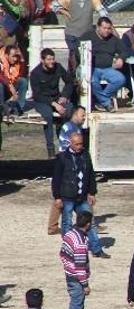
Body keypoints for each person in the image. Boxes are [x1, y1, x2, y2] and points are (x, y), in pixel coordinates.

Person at [52, 132, 109, 258]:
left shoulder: (85, 155)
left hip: (82, 196)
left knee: (90, 222)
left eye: (81, 144)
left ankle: (96, 249)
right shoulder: (62, 158)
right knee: (67, 223)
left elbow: (90, 174)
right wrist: (57, 197)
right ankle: (69, 248)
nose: (79, 146)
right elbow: (56, 179)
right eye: (77, 144)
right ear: (70, 143)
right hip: (67, 196)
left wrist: (92, 192)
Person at [47, 106, 86, 236]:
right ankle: (53, 227)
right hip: (66, 165)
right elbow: (67, 147)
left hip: (70, 163)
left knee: (70, 196)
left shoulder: (76, 128)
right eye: (82, 115)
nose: (84, 117)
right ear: (75, 114)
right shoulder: (68, 127)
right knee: (63, 196)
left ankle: (86, 221)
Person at [30, 48, 74, 158]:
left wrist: (64, 96)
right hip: (42, 100)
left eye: (53, 59)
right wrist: (54, 104)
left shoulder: (58, 67)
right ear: (42, 60)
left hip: (57, 97)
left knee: (69, 109)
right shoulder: (35, 73)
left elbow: (69, 82)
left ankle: (65, 144)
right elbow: (37, 95)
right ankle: (50, 149)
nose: (51, 62)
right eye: (49, 59)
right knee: (48, 116)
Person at [59, 211, 94, 309]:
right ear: (88, 224)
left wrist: (68, 267)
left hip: (70, 275)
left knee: (78, 306)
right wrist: (85, 284)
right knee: (76, 307)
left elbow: (62, 254)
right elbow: (80, 266)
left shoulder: (69, 234)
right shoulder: (80, 242)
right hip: (77, 278)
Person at [80, 17, 126, 112]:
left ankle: (101, 101)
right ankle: (106, 103)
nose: (107, 31)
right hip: (92, 68)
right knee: (92, 81)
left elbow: (124, 50)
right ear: (98, 27)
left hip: (108, 68)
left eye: (109, 28)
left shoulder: (113, 39)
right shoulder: (88, 36)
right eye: (104, 28)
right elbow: (78, 49)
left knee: (120, 79)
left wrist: (121, 58)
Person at [52, 0, 109, 71]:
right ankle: (72, 78)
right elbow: (53, 6)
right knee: (74, 58)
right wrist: (65, 12)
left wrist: (103, 26)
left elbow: (103, 14)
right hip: (71, 34)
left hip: (87, 35)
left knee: (86, 58)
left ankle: (82, 77)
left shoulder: (93, 1)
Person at [0, 44, 28, 116]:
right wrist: (9, 85)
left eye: (16, 56)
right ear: (6, 55)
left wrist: (22, 59)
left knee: (23, 81)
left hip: (10, 90)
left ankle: (17, 108)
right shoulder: (1, 61)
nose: (15, 59)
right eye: (13, 56)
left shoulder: (17, 62)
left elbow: (22, 74)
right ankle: (2, 108)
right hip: (3, 89)